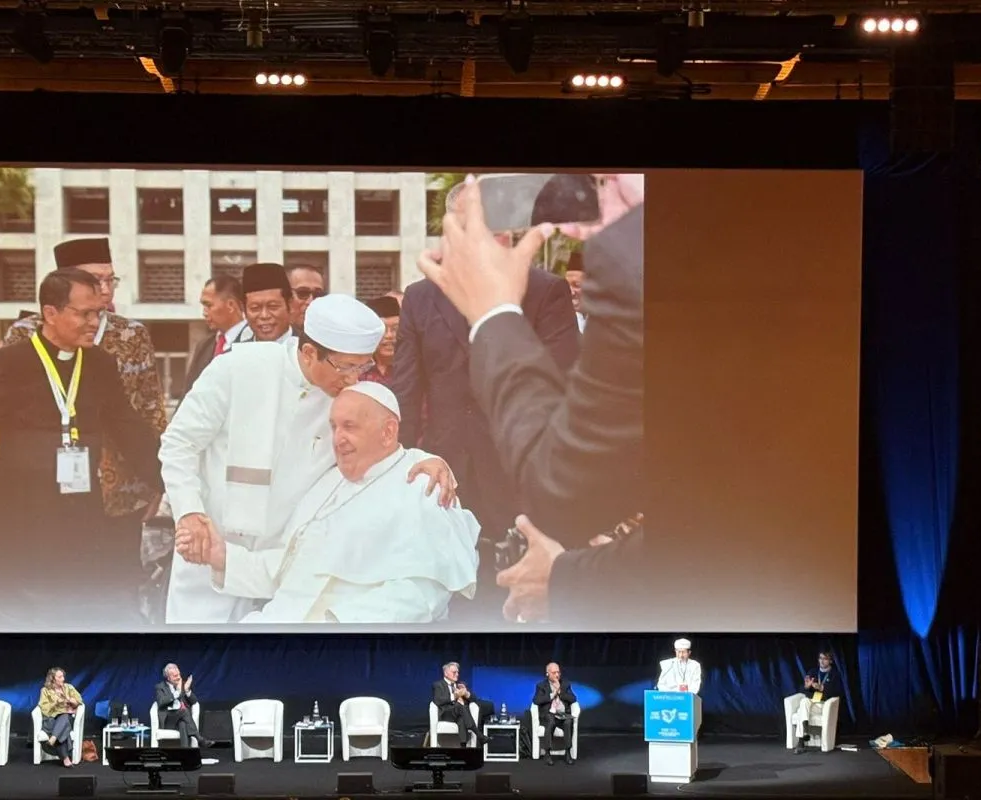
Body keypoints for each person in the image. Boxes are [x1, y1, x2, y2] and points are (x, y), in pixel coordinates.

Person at [416, 173, 645, 624]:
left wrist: (493, 314)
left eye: (605, 182)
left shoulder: (622, 267)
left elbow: (571, 488)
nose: (577, 227)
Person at [161, 294, 457, 623]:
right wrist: (188, 512)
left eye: (362, 367)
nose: (354, 379)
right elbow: (178, 443)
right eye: (346, 367)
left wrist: (423, 459)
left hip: (280, 569)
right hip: (209, 549)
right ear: (309, 353)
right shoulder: (236, 368)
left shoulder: (343, 398)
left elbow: (377, 449)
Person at [175, 383, 480, 623]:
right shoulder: (327, 483)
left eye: (350, 426)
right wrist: (222, 556)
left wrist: (336, 625)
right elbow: (285, 573)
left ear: (388, 432)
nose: (337, 438)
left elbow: (423, 594)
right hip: (277, 626)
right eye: (334, 427)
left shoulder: (422, 483)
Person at [0, 269, 165, 615]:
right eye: (84, 314)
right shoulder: (9, 362)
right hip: (22, 516)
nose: (94, 323)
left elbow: (129, 429)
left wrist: (168, 480)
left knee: (78, 607)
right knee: (17, 614)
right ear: (50, 313)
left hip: (80, 512)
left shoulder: (100, 364)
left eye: (97, 313)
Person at [1, 239, 167, 586]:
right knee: (56, 584)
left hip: (122, 491)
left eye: (110, 279)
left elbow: (150, 408)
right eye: (94, 280)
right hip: (49, 492)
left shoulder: (131, 334)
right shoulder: (26, 334)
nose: (104, 289)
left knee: (117, 584)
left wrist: (157, 483)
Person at [182, 275, 250, 399]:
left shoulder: (254, 342)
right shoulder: (204, 345)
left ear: (230, 305)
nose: (204, 313)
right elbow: (188, 394)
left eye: (209, 305)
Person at [788, 651, 842, 754]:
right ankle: (803, 735)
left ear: (830, 661)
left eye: (825, 659)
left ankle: (801, 740)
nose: (822, 661)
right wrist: (807, 686)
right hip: (812, 702)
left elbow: (837, 692)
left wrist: (821, 688)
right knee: (804, 701)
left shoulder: (835, 674)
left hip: (824, 705)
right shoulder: (813, 672)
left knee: (800, 711)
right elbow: (802, 690)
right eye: (820, 658)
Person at [432, 662, 493, 746]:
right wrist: (454, 696)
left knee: (461, 719)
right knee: (459, 706)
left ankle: (463, 746)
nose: (457, 674)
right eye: (454, 672)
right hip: (446, 714)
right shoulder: (438, 685)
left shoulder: (459, 685)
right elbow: (438, 701)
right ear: (446, 673)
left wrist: (466, 693)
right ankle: (479, 734)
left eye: (458, 672)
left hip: (459, 713)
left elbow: (474, 699)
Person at [154, 663, 212, 747]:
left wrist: (187, 690)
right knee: (184, 711)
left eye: (179, 674)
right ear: (168, 678)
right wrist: (177, 692)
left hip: (182, 720)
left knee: (183, 724)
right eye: (175, 676)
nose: (178, 677)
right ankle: (199, 738)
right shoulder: (160, 687)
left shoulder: (183, 685)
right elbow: (161, 702)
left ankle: (185, 751)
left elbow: (194, 702)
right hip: (169, 721)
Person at [38, 667, 83, 767]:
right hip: (51, 719)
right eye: (60, 677)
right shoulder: (45, 691)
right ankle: (66, 758)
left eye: (63, 676)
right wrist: (55, 703)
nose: (63, 679)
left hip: (66, 717)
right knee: (62, 728)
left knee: (64, 716)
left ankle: (53, 738)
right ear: (53, 679)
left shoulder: (69, 688)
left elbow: (79, 701)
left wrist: (69, 699)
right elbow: (44, 709)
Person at [533, 662, 577, 765]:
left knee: (568, 722)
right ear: (547, 674)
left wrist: (560, 692)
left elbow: (573, 698)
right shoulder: (541, 685)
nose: (557, 675)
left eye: (558, 672)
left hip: (562, 714)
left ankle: (568, 752)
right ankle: (548, 753)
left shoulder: (565, 684)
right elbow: (536, 700)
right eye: (554, 673)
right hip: (549, 713)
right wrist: (552, 694)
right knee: (550, 721)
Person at [240, 263, 294, 343]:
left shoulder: (309, 347)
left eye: (273, 306)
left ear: (290, 305)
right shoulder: (235, 351)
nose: (264, 316)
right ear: (244, 310)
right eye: (255, 308)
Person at [360, 295, 400, 386]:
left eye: (396, 329)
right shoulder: (357, 368)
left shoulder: (413, 368)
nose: (389, 335)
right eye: (383, 330)